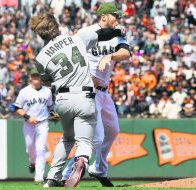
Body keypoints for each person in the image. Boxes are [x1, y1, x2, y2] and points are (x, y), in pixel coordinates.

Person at [28, 13, 125, 187]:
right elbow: (103, 34)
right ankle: (81, 161)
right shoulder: (76, 38)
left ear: (40, 33)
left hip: (63, 99)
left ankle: (51, 178)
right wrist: (118, 31)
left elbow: (46, 79)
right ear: (56, 26)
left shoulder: (40, 58)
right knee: (86, 142)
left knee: (67, 138)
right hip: (84, 96)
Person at [62, 2, 131, 187]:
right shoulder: (87, 33)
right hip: (88, 91)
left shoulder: (116, 35)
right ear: (103, 17)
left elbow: (126, 53)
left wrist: (110, 56)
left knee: (114, 130)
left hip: (104, 92)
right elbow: (70, 55)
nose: (118, 19)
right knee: (97, 137)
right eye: (115, 16)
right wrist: (82, 77)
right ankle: (66, 175)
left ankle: (98, 169)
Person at [13, 67, 53, 184]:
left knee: (40, 149)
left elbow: (50, 106)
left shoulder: (48, 91)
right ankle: (32, 161)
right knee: (30, 148)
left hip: (42, 123)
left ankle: (39, 177)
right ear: (30, 78)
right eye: (33, 76)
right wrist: (28, 117)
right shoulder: (24, 92)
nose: (35, 78)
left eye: (37, 76)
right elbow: (17, 108)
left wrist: (52, 113)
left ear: (41, 78)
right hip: (28, 124)